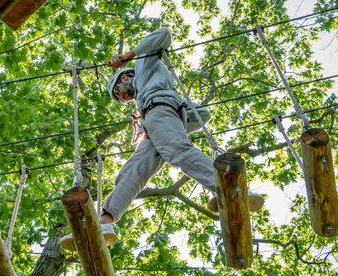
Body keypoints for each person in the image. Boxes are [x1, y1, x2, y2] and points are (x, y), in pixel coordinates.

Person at [60, 26, 262, 252]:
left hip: (158, 112)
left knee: (178, 151)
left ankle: (229, 187)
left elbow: (164, 34)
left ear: (125, 76)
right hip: (154, 124)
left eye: (119, 92)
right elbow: (203, 114)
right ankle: (104, 222)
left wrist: (130, 55)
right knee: (131, 173)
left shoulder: (142, 65)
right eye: (120, 98)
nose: (124, 98)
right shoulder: (146, 95)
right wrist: (176, 123)